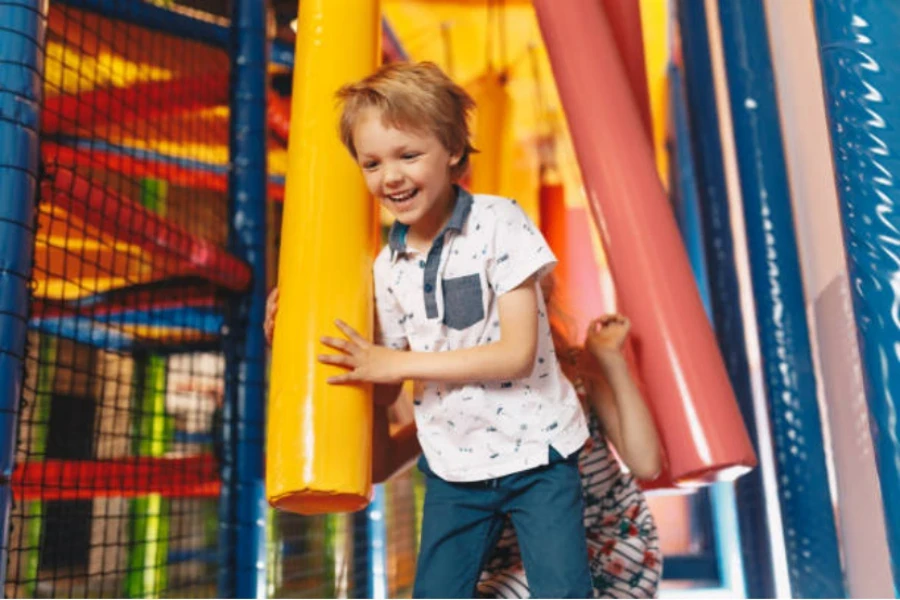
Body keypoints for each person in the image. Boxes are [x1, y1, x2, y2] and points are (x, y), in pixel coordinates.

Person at [269, 61, 593, 598]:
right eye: (371, 163)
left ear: (453, 152)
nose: (389, 176)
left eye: (408, 155)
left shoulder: (499, 222)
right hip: (453, 466)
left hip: (539, 451)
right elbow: (384, 385)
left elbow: (515, 353)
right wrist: (298, 338)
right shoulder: (387, 267)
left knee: (563, 593)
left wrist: (394, 362)